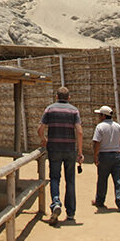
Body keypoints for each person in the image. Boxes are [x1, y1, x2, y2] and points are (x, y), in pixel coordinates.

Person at [37, 86, 84, 225]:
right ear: (69, 98)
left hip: (54, 149)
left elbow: (40, 129)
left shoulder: (50, 109)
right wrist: (80, 152)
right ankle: (70, 213)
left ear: (56, 97)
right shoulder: (74, 110)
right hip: (70, 149)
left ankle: (56, 203)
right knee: (70, 181)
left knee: (55, 178)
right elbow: (79, 132)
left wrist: (44, 140)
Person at [91, 105, 120, 212]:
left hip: (104, 155)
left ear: (103, 116)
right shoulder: (117, 126)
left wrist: (95, 156)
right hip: (116, 155)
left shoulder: (100, 127)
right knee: (118, 180)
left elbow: (97, 143)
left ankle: (100, 201)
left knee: (102, 179)